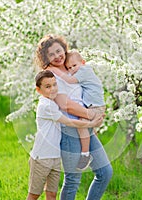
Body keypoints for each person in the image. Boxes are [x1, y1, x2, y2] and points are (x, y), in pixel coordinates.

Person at [35, 34, 113, 200]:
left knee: (105, 172)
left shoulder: (72, 66)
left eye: (59, 50)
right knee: (73, 180)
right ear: (45, 58)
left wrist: (92, 119)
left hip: (85, 127)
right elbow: (64, 103)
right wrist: (89, 115)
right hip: (69, 129)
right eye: (51, 54)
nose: (57, 56)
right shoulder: (50, 75)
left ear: (64, 48)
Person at [27, 70, 104, 200]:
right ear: (38, 90)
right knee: (34, 195)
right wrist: (91, 124)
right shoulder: (46, 106)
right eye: (47, 86)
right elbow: (68, 121)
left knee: (52, 194)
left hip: (55, 157)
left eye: (54, 84)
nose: (53, 89)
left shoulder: (52, 103)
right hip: (42, 158)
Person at [51, 50, 106, 170]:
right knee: (88, 127)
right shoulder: (81, 71)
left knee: (82, 124)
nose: (72, 69)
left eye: (74, 65)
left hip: (95, 107)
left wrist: (56, 71)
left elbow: (69, 80)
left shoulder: (84, 71)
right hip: (93, 106)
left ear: (83, 62)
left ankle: (85, 154)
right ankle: (89, 150)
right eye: (69, 68)